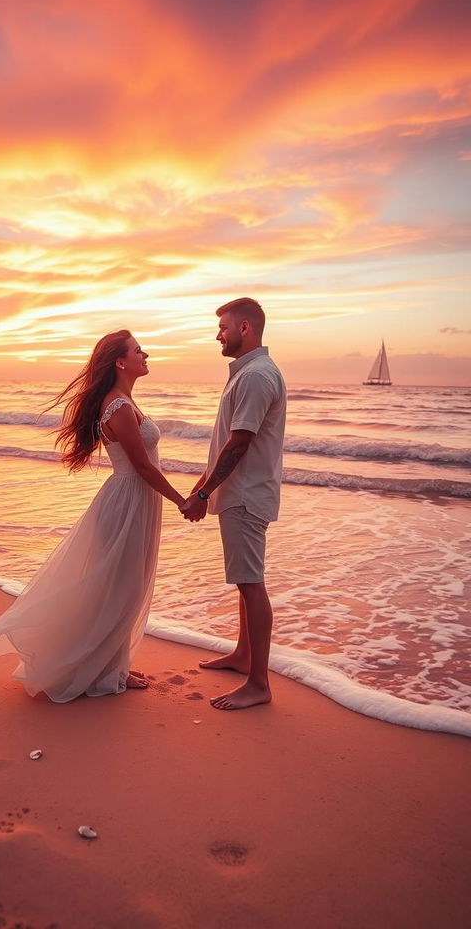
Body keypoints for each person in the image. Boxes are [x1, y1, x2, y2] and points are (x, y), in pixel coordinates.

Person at [0, 330, 186, 702]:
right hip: (129, 499)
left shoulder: (124, 401)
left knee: (125, 584)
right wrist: (182, 501)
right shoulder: (119, 407)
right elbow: (142, 466)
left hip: (134, 499)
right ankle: (103, 669)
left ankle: (114, 663)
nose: (146, 354)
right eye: (138, 350)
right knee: (121, 586)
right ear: (120, 362)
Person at [181, 298, 286, 710]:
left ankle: (259, 683)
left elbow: (238, 445)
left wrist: (203, 494)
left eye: (223, 327)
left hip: (245, 495)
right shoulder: (248, 373)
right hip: (239, 491)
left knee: (250, 583)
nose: (218, 334)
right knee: (245, 582)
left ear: (246, 327)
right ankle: (243, 656)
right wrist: (203, 485)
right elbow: (229, 440)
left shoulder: (258, 376)